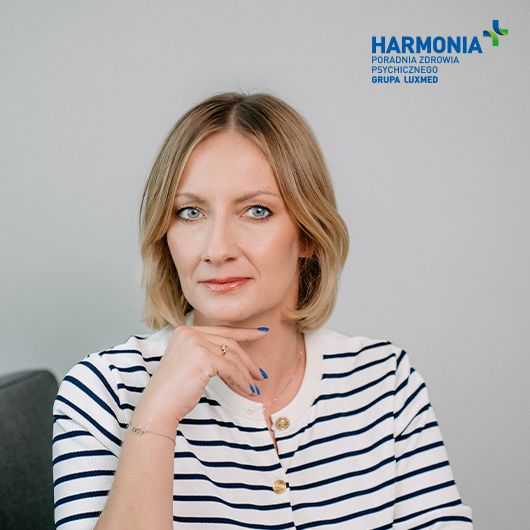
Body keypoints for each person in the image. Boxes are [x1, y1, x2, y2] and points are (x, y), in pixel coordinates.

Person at [52, 92, 473, 529]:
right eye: (190, 212)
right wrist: (155, 416)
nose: (217, 249)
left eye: (256, 211)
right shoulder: (103, 392)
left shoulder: (386, 381)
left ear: (307, 233)